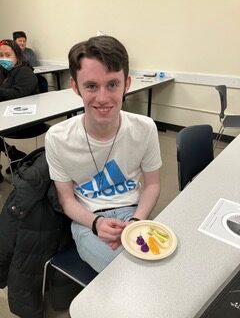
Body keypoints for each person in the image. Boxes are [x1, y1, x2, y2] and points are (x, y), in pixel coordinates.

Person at [45, 35, 162, 272]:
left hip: (134, 210)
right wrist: (96, 223)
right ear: (75, 86)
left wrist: (137, 221)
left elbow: (152, 185)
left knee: (155, 264)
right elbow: (67, 199)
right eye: (91, 86)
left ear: (126, 84)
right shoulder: (57, 138)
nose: (103, 98)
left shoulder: (145, 128)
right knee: (124, 272)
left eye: (112, 84)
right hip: (88, 218)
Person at [0, 39, 38, 181]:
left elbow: (17, 95)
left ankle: (14, 154)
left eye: (8, 55)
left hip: (26, 120)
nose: (4, 58)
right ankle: (14, 154)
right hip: (7, 115)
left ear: (17, 55)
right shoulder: (4, 71)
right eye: (1, 55)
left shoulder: (25, 72)